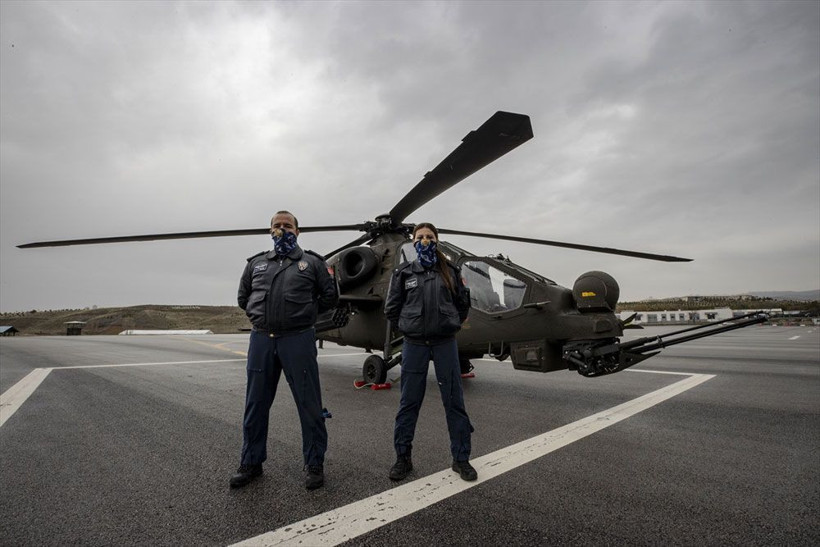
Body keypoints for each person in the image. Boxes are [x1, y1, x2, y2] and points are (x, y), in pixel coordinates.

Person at [230, 210, 339, 490]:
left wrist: (304, 314)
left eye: (288, 225)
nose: (282, 228)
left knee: (309, 404)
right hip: (262, 339)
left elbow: (330, 298)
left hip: (298, 339)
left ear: (297, 231)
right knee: (255, 404)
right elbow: (243, 298)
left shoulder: (312, 262)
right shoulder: (256, 264)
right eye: (277, 225)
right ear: (270, 230)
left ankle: (314, 463)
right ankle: (251, 462)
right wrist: (260, 316)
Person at [384, 222, 477, 482]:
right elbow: (391, 309)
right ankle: (403, 458)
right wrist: (409, 326)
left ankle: (461, 458)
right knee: (409, 402)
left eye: (429, 236)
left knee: (454, 402)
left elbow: (462, 305)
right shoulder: (404, 273)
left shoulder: (451, 271)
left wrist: (451, 323)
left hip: (445, 342)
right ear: (414, 242)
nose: (425, 240)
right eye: (420, 236)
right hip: (414, 344)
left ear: (436, 240)